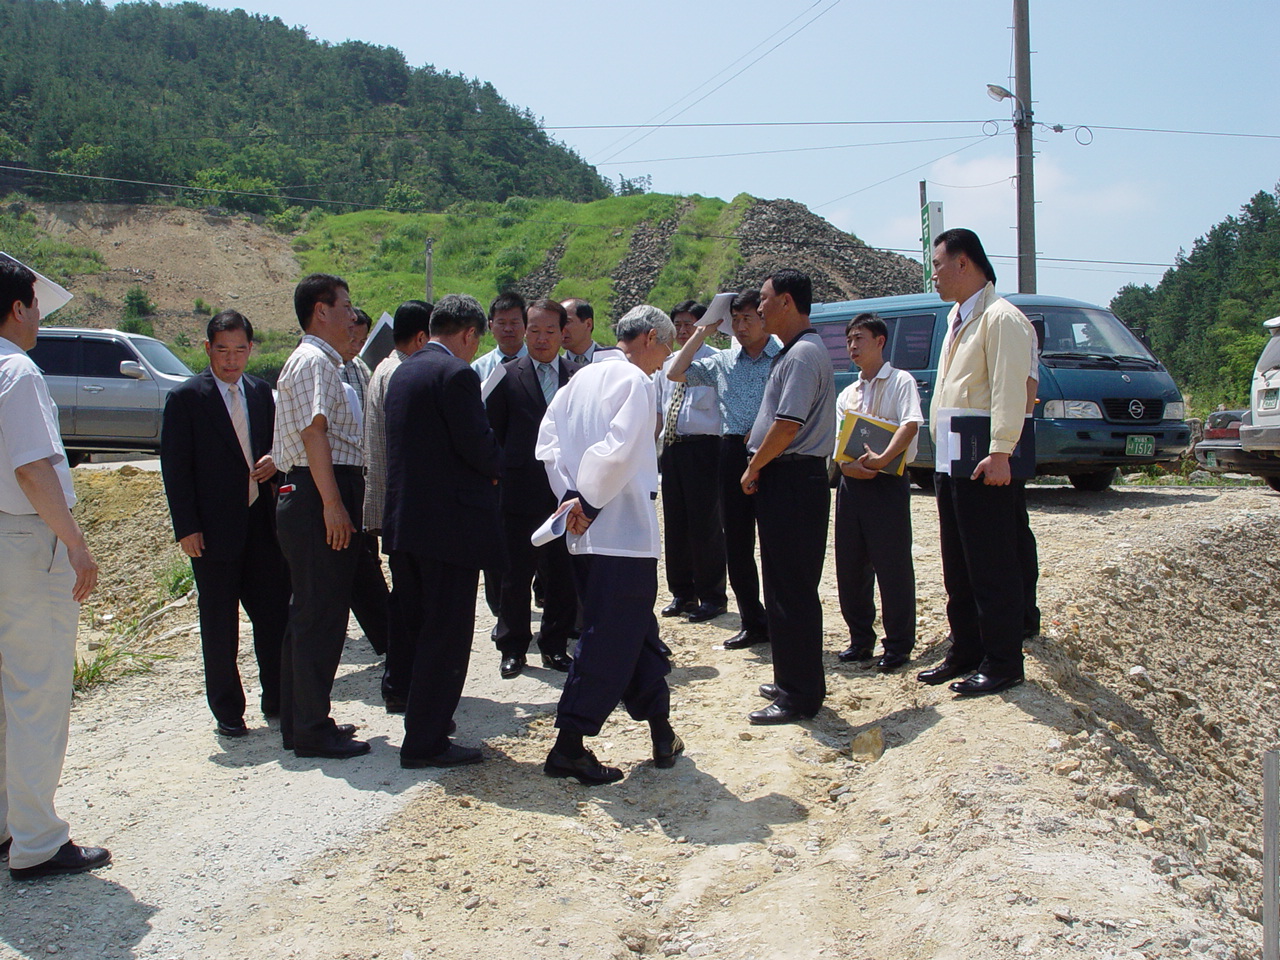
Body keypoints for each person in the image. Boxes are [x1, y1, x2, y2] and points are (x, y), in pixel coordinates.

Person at [535, 304, 683, 785]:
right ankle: (569, 744)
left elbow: (549, 447)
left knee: (634, 632)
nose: (665, 359)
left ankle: (662, 731)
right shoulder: (635, 383)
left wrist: (572, 499)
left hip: (583, 534)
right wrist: (592, 503)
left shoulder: (574, 383)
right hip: (622, 533)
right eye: (665, 346)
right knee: (609, 639)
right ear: (646, 338)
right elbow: (618, 450)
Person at [0, 256, 110, 880]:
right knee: (36, 692)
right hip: (22, 540)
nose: (40, 316)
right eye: (36, 305)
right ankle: (37, 839)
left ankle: (8, 826)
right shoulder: (17, 370)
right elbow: (32, 467)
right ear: (18, 307)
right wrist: (73, 542)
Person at [383, 294, 503, 768]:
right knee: (446, 633)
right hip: (449, 528)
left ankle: (424, 720)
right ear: (470, 334)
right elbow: (478, 446)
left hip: (407, 523)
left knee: (417, 626)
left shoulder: (404, 370)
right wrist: (497, 466)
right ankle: (426, 741)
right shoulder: (456, 375)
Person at [917, 228, 1034, 697]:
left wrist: (1002, 449)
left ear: (964, 263)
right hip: (952, 460)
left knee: (992, 564)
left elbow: (1010, 390)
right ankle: (965, 649)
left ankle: (1003, 661)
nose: (935, 275)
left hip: (985, 460)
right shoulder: (957, 317)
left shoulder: (1001, 318)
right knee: (958, 564)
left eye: (939, 265)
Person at [160, 310, 290, 736]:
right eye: (222, 350)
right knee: (219, 624)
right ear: (207, 349)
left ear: (251, 349)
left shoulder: (259, 393)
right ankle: (229, 713)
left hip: (261, 525)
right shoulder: (186, 399)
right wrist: (187, 527)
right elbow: (175, 470)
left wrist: (277, 460)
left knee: (273, 616)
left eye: (239, 350)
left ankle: (278, 699)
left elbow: (276, 445)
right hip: (212, 531)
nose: (231, 360)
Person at [273, 273, 370, 759]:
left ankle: (303, 720)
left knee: (311, 611)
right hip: (318, 490)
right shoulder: (314, 361)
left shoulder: (323, 361)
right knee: (322, 614)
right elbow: (315, 435)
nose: (353, 316)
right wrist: (333, 504)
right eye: (346, 306)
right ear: (321, 311)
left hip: (317, 488)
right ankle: (310, 728)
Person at [740, 269, 837, 725]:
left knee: (793, 591)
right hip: (787, 481)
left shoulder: (801, 356)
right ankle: (791, 679)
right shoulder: (795, 352)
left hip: (795, 481)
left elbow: (787, 425)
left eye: (764, 299)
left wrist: (754, 465)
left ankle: (799, 696)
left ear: (787, 302)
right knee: (779, 585)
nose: (758, 308)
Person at [666, 289, 780, 649]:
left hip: (774, 450)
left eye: (749, 318)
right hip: (731, 451)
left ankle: (781, 621)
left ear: (763, 318)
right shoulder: (723, 363)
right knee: (738, 543)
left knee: (776, 544)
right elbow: (675, 372)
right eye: (736, 320)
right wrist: (702, 331)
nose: (742, 326)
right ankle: (752, 620)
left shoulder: (781, 357)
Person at [485, 299, 577, 679]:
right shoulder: (506, 376)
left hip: (565, 492)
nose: (541, 339)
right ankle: (512, 646)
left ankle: (554, 645)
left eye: (550, 331)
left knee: (561, 572)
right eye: (534, 331)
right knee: (515, 573)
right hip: (519, 490)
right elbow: (493, 434)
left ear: (562, 333)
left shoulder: (578, 376)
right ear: (525, 331)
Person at [832, 314, 923, 674]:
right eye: (849, 340)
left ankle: (898, 644)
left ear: (880, 341)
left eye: (859, 339)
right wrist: (848, 468)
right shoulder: (847, 392)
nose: (852, 347)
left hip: (888, 482)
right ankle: (860, 639)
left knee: (893, 565)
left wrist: (883, 459)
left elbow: (911, 424)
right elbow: (841, 443)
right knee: (850, 565)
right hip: (852, 484)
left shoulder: (901, 381)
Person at [362, 300, 432, 714]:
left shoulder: (384, 369)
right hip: (403, 506)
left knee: (405, 597)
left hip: (392, 505)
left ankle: (400, 682)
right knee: (410, 601)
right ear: (422, 338)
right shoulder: (401, 373)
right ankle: (401, 685)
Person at [656, 300, 727, 623]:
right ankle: (682, 593)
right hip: (673, 447)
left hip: (705, 449)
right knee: (676, 522)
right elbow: (660, 410)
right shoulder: (667, 363)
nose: (683, 331)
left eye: (689, 324)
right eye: (678, 325)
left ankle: (712, 595)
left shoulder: (716, 361)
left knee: (705, 524)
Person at [340, 309, 390, 659]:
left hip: (362, 473)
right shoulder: (321, 369)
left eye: (361, 340)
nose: (355, 345)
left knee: (366, 558)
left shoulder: (361, 370)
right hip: (334, 477)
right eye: (350, 337)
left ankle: (385, 636)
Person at [471, 291, 528, 380]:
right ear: (491, 326)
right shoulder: (478, 369)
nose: (508, 329)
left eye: (514, 323)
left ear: (526, 324)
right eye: (501, 323)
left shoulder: (539, 364)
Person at [560, 298, 603, 366]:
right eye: (558, 323)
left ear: (588, 324)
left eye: (567, 322)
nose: (560, 329)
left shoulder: (611, 362)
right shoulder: (555, 369)